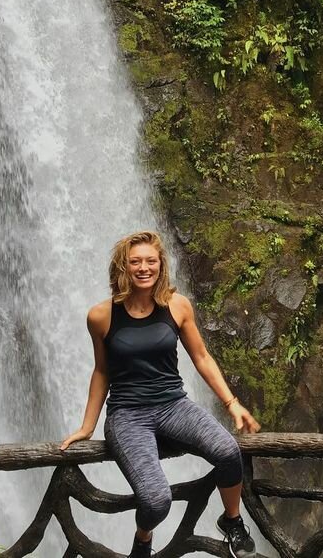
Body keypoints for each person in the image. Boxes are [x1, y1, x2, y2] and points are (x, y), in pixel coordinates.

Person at [59, 230, 261, 558]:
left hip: (173, 405)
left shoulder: (177, 306)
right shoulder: (101, 316)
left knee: (227, 451)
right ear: (123, 266)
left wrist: (232, 403)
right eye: (135, 262)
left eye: (150, 261)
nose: (144, 268)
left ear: (161, 264)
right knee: (156, 501)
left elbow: (202, 357)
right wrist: (87, 426)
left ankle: (232, 521)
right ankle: (143, 539)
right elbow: (102, 371)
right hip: (127, 415)